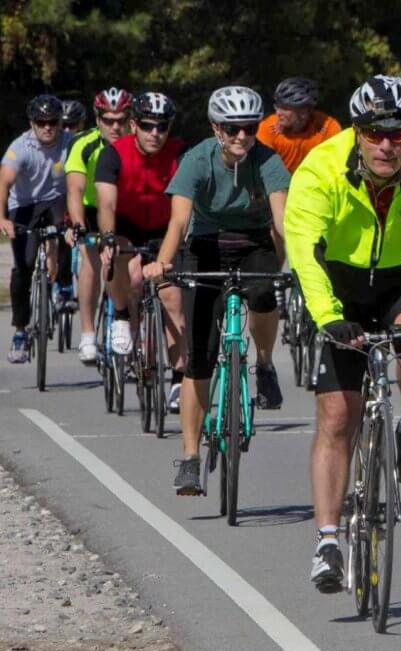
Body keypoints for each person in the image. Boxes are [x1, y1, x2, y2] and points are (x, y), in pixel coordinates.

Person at [284, 75, 401, 592]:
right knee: (337, 416)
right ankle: (326, 541)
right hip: (340, 284)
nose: (387, 145)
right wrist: (327, 317)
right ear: (358, 131)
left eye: (399, 134)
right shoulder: (320, 168)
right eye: (375, 133)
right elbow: (304, 250)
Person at [143, 85, 289, 495]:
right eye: (232, 128)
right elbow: (177, 222)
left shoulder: (268, 160)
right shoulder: (196, 160)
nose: (242, 136)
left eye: (249, 127)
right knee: (200, 357)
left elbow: (280, 221)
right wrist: (164, 262)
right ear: (215, 127)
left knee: (264, 294)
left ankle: (263, 363)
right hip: (205, 246)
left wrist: (294, 264)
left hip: (253, 244)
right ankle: (190, 459)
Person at [94, 92, 187, 406]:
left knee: (171, 296)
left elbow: (182, 211)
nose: (155, 134)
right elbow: (106, 202)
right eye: (147, 126)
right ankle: (121, 313)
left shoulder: (180, 153)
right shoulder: (113, 154)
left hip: (165, 227)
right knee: (119, 261)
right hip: (126, 223)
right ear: (134, 125)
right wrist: (107, 236)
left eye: (162, 127)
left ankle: (177, 379)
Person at [0, 95, 73, 363]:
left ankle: (64, 288)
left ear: (60, 122)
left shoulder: (70, 142)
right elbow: (4, 182)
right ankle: (20, 331)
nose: (47, 128)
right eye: (41, 122)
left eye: (53, 122)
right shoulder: (20, 147)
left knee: (67, 227)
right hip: (24, 206)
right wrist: (3, 219)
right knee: (23, 266)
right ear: (32, 123)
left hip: (55, 200)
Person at [64, 87, 133, 365]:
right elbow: (75, 190)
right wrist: (78, 225)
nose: (115, 126)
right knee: (90, 262)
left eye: (121, 119)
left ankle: (134, 333)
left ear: (131, 119)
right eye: (108, 120)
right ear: (98, 119)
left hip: (125, 210)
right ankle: (88, 334)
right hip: (92, 209)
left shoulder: (137, 145)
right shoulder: (83, 143)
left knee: (131, 270)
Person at [256, 77, 342, 174]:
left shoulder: (327, 127)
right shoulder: (266, 129)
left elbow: (337, 165)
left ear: (304, 113)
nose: (278, 112)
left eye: (285, 108)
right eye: (277, 106)